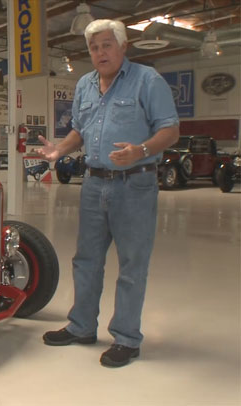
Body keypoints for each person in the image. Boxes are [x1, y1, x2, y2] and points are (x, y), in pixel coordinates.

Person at [35, 19, 179, 367]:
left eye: (106, 45)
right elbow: (80, 130)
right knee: (86, 260)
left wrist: (141, 150)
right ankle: (82, 326)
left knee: (132, 265)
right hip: (94, 183)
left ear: (123, 46)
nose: (100, 52)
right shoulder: (85, 84)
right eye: (93, 47)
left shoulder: (148, 80)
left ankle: (127, 339)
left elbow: (170, 130)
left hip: (135, 183)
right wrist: (59, 151)